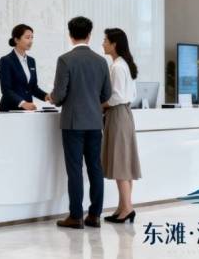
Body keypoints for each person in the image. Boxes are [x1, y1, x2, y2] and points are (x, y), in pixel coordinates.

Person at [49, 16, 112, 229]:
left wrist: (53, 97)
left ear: (70, 35)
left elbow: (59, 95)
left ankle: (76, 216)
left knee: (75, 170)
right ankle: (94, 215)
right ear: (89, 35)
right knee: (95, 168)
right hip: (94, 122)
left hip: (73, 123)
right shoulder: (101, 61)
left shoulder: (65, 60)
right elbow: (106, 94)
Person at [101, 28, 142, 224]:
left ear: (114, 44)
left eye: (105, 40)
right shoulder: (125, 64)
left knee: (120, 164)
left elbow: (116, 96)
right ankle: (123, 206)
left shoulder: (117, 67)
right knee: (124, 162)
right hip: (124, 114)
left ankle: (127, 208)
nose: (103, 44)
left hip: (117, 114)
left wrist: (100, 105)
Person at [0, 24, 48, 112]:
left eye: (32, 38)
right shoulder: (6, 61)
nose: (31, 41)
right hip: (9, 110)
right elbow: (6, 90)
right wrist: (23, 103)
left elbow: (33, 88)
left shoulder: (31, 61)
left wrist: (46, 96)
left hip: (27, 111)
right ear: (16, 40)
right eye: (27, 37)